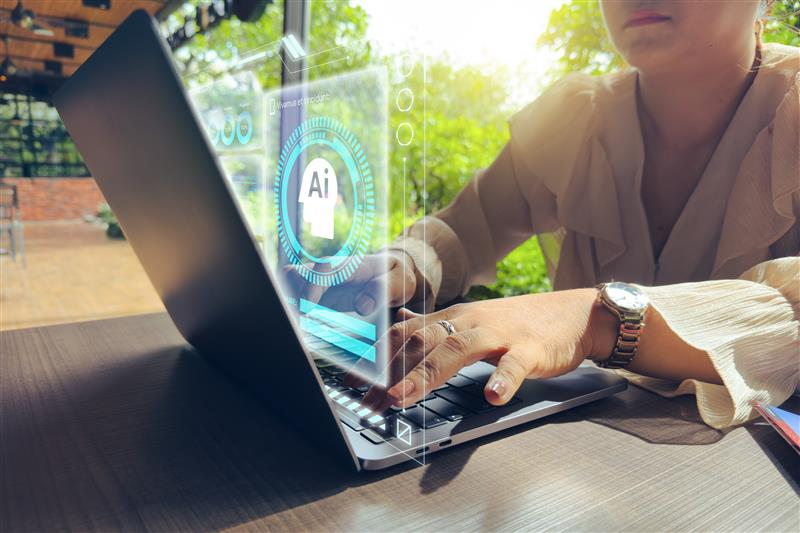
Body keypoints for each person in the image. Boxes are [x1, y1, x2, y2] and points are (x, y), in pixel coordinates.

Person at [299, 0, 800, 429]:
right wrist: (405, 264)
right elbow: (466, 228)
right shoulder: (576, 118)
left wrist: (593, 320)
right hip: (577, 460)